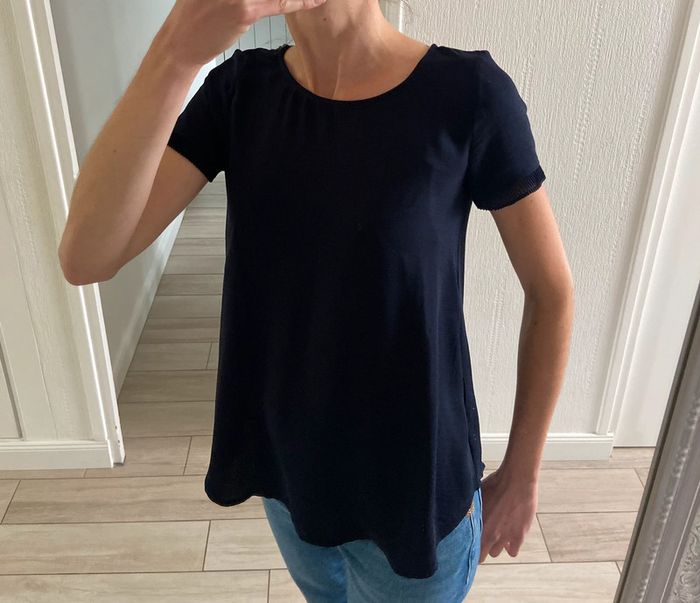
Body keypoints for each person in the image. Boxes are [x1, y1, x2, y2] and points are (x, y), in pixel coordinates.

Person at [58, 0, 574, 601]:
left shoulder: (468, 93)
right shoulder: (239, 92)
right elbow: (87, 257)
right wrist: (176, 52)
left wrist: (522, 473)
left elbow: (551, 292)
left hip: (414, 491)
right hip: (290, 478)